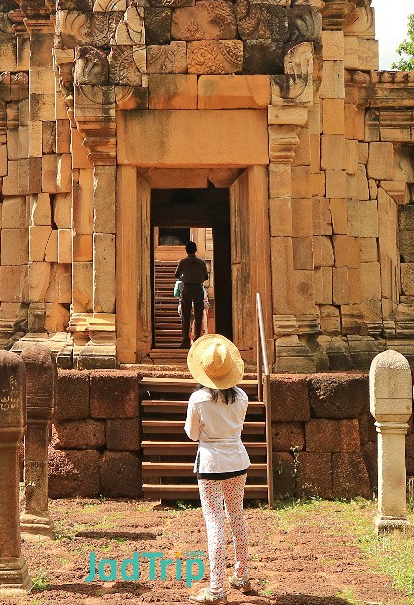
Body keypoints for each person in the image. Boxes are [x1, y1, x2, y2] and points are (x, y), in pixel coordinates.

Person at [184, 333, 256, 601]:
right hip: (237, 461)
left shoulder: (198, 400)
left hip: (211, 464)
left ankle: (216, 588)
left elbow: (192, 434)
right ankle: (242, 575)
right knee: (237, 517)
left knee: (214, 523)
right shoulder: (242, 398)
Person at [175, 240, 210, 347]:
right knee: (198, 314)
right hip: (198, 287)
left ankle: (185, 339)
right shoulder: (201, 262)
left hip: (187, 287)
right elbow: (206, 277)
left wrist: (184, 277)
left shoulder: (183, 262)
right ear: (195, 250)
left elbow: (177, 275)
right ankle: (197, 337)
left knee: (186, 315)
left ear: (186, 250)